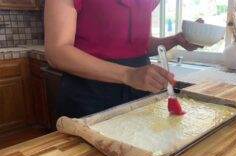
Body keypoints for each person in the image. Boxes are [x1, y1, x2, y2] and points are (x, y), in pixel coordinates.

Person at [44, 0, 200, 118]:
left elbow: (140, 43)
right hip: (88, 96)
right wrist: (129, 75)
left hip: (138, 95)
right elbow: (57, 51)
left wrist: (175, 40)